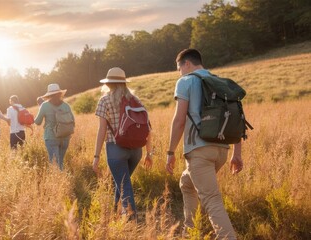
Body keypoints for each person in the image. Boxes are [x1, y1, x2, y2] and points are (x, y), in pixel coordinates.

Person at [166, 49, 243, 239]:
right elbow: (236, 119)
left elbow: (179, 120)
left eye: (179, 68)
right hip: (222, 151)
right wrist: (237, 153)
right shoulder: (220, 82)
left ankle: (227, 237)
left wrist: (170, 151)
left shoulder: (186, 81)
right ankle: (189, 231)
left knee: (212, 200)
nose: (180, 73)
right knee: (186, 183)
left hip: (199, 151)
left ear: (187, 64)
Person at [92, 67, 153, 220]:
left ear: (109, 83)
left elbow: (102, 130)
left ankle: (132, 221)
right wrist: (149, 153)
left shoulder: (105, 100)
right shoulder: (136, 100)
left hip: (115, 149)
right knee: (122, 181)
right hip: (136, 151)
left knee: (124, 184)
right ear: (124, 83)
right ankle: (115, 210)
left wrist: (96, 156)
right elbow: (148, 128)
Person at [34, 83, 74, 170]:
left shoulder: (44, 105)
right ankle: (63, 179)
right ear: (60, 94)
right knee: (60, 162)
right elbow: (73, 121)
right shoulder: (66, 105)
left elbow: (37, 122)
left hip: (51, 137)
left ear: (49, 95)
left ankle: (58, 181)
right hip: (65, 137)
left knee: (55, 164)